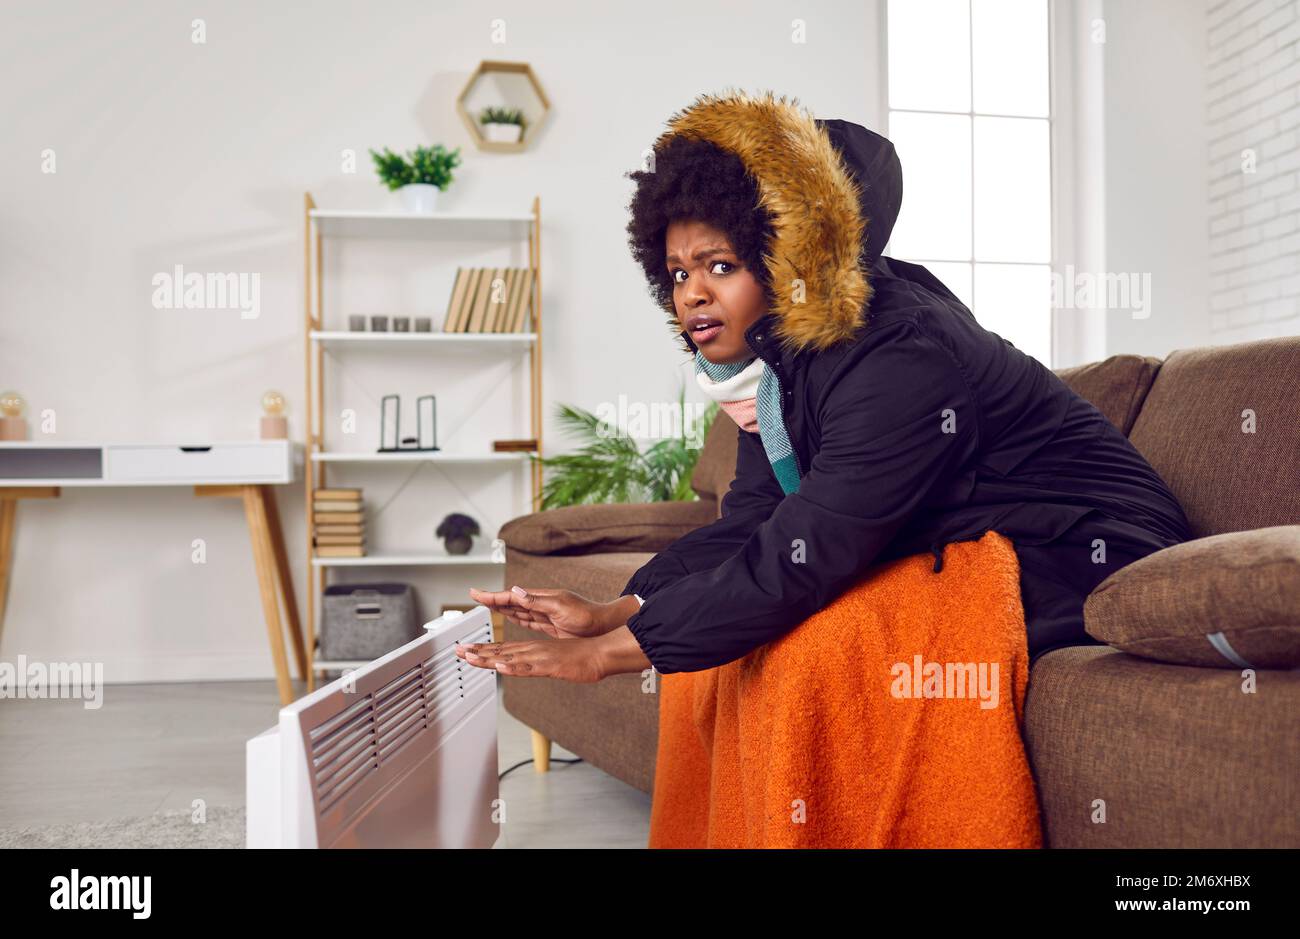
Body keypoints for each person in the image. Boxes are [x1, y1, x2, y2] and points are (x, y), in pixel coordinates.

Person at [455, 89, 1192, 682]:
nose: (690, 295)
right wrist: (614, 613)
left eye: (720, 265)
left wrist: (612, 653)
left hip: (1091, 552)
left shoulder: (897, 355)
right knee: (759, 631)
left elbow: (811, 549)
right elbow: (757, 522)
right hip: (983, 537)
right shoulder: (780, 372)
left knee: (814, 635)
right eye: (679, 272)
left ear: (794, 253)